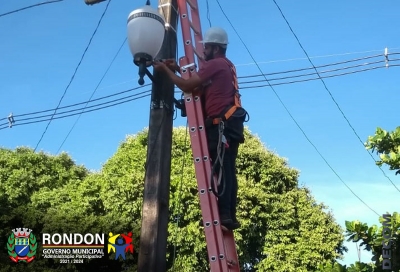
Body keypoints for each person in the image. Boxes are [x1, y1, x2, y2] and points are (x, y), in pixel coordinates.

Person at [153, 27, 247, 230]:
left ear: (214, 48)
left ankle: (225, 216)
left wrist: (165, 70)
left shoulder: (215, 64)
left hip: (221, 124)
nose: (203, 51)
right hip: (231, 123)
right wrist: (178, 69)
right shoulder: (225, 65)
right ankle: (229, 216)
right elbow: (199, 84)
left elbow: (189, 87)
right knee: (228, 170)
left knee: (223, 170)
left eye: (206, 47)